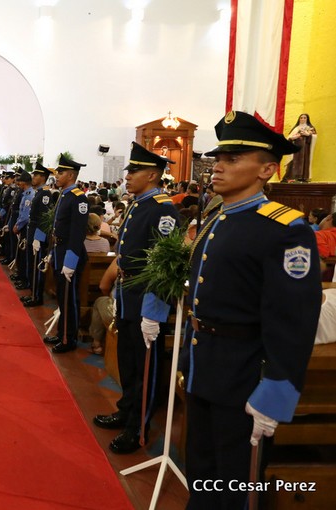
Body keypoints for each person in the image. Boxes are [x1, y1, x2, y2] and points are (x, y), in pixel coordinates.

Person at [183, 110, 320, 509]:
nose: (217, 166)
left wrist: (276, 392)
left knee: (235, 487)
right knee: (201, 475)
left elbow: (294, 319)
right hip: (204, 366)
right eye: (218, 158)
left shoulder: (284, 229)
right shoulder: (217, 218)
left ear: (267, 170)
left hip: (245, 377)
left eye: (232, 159)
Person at [92, 141, 179, 455]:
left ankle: (138, 428)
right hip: (129, 294)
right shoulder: (140, 204)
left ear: (153, 175)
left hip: (146, 299)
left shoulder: (162, 208)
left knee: (144, 368)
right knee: (128, 363)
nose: (127, 176)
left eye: (134, 171)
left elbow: (163, 263)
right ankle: (126, 411)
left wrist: (154, 310)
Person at [43, 155, 88, 352]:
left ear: (70, 175)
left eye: (60, 173)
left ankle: (69, 339)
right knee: (62, 298)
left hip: (70, 254)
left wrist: (70, 261)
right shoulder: (65, 195)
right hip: (61, 250)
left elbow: (77, 233)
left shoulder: (78, 198)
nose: (57, 176)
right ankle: (62, 332)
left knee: (69, 299)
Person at [21, 163, 55, 307]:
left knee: (37, 267)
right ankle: (33, 293)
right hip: (32, 232)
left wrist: (38, 238)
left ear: (43, 177)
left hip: (37, 235)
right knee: (31, 265)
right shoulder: (39, 192)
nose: (33, 177)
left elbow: (44, 218)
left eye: (35, 175)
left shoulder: (45, 194)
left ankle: (37, 296)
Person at [287, 113, 317, 182]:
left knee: (305, 162)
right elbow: (289, 138)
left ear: (307, 119)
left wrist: (308, 135)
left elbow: (315, 136)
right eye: (301, 118)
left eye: (304, 118)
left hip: (306, 149)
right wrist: (293, 138)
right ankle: (293, 177)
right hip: (296, 148)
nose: (303, 119)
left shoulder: (310, 128)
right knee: (294, 162)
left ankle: (304, 177)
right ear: (299, 119)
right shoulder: (296, 128)